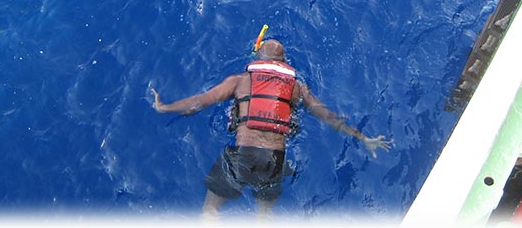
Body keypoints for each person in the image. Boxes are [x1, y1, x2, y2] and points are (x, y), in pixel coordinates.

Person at [150, 39, 392, 218]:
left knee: (210, 210)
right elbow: (328, 116)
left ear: (258, 59)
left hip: (242, 154)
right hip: (274, 161)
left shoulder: (240, 81)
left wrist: (165, 107)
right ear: (284, 63)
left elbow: (198, 103)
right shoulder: (297, 87)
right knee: (264, 217)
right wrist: (363, 137)